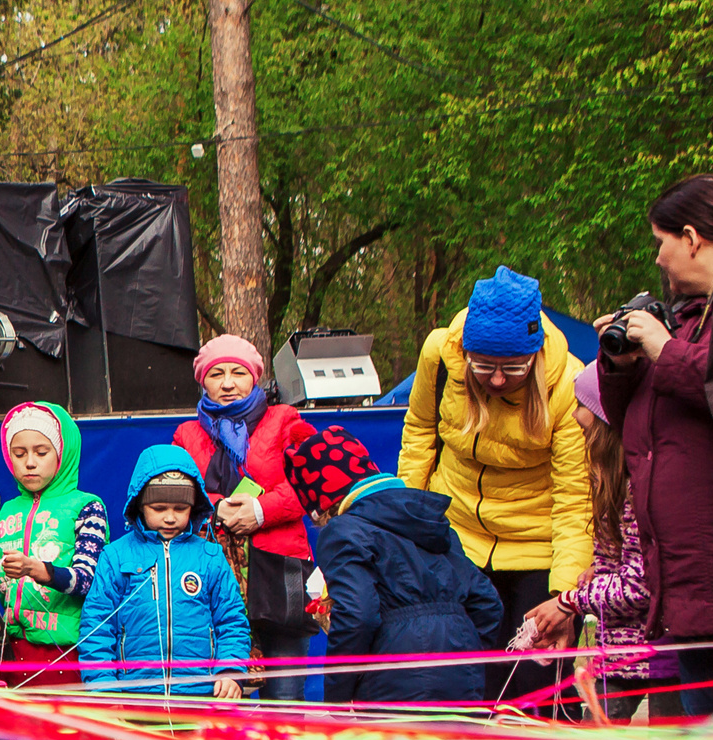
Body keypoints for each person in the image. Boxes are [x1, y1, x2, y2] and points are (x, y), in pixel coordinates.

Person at [594, 174, 713, 717]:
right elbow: (629, 422)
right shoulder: (687, 317)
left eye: (661, 243)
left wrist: (662, 349)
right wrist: (618, 366)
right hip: (684, 576)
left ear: (692, 238)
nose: (658, 260)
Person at [398, 266, 591, 702]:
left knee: (534, 682)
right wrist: (407, 530)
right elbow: (419, 438)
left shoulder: (569, 385)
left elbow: (575, 500)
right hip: (458, 539)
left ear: (536, 356)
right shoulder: (438, 354)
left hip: (537, 547)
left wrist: (564, 597)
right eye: (484, 366)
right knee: (464, 676)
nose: (498, 380)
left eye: (514, 367)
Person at [288, 427, 502, 705]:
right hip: (462, 671)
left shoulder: (343, 530)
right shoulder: (433, 521)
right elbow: (487, 603)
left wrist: (337, 696)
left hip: (393, 673)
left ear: (325, 505)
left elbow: (357, 616)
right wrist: (465, 655)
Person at [170, 335, 316, 700]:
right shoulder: (187, 434)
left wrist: (261, 510)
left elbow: (314, 481)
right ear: (203, 381)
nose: (228, 383)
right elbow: (173, 492)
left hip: (279, 571)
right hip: (212, 573)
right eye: (216, 374)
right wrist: (215, 506)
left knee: (284, 699)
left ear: (255, 377)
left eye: (238, 372)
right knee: (219, 697)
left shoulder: (285, 420)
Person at [523, 364, 669, 720]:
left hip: (654, 660)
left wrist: (570, 602)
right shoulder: (612, 483)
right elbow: (627, 563)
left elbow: (640, 585)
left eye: (582, 404)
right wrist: (598, 573)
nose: (574, 415)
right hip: (616, 658)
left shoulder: (638, 489)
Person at [76, 446, 249, 698]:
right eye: (159, 508)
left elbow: (232, 621)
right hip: (134, 698)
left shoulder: (210, 556)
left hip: (202, 698)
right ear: (140, 504)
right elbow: (96, 627)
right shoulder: (115, 556)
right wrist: (103, 687)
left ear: (194, 505)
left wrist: (230, 670)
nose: (170, 517)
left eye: (180, 508)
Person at [0, 403, 105, 685]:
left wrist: (38, 570)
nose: (30, 462)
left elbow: (87, 580)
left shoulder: (86, 507)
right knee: (11, 729)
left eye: (41, 452)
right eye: (19, 453)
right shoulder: (5, 510)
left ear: (62, 453)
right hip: (9, 650)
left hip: (66, 652)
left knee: (59, 729)